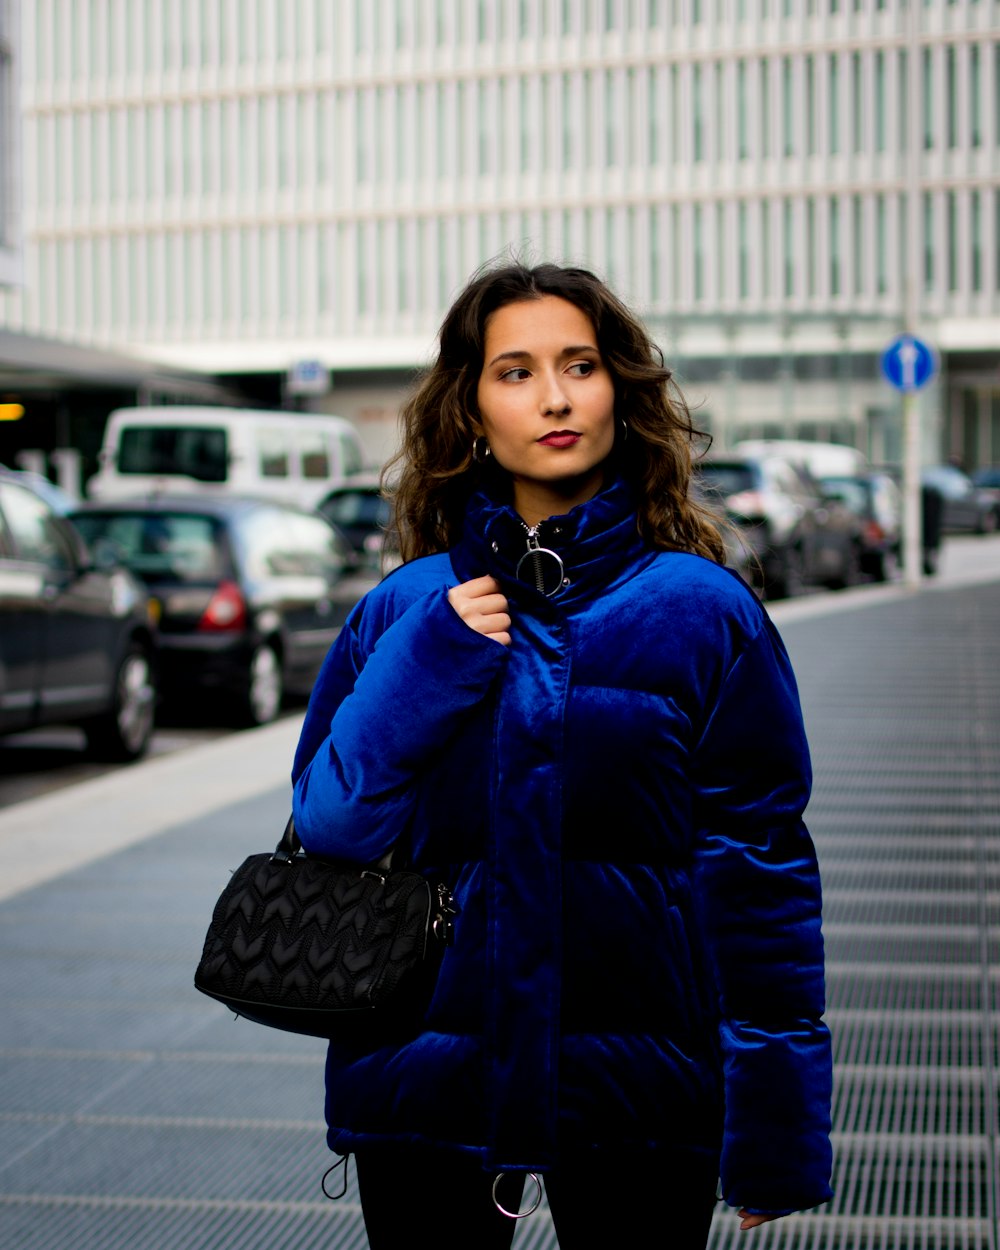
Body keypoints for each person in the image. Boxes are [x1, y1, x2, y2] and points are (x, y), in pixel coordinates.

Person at [291, 260, 833, 1249]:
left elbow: (759, 872)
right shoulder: (402, 610)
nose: (552, 395)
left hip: (639, 1086)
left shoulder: (703, 614)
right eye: (515, 369)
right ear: (467, 408)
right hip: (426, 1077)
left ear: (619, 391)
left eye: (578, 364)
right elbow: (330, 825)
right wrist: (426, 663)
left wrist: (777, 1121)